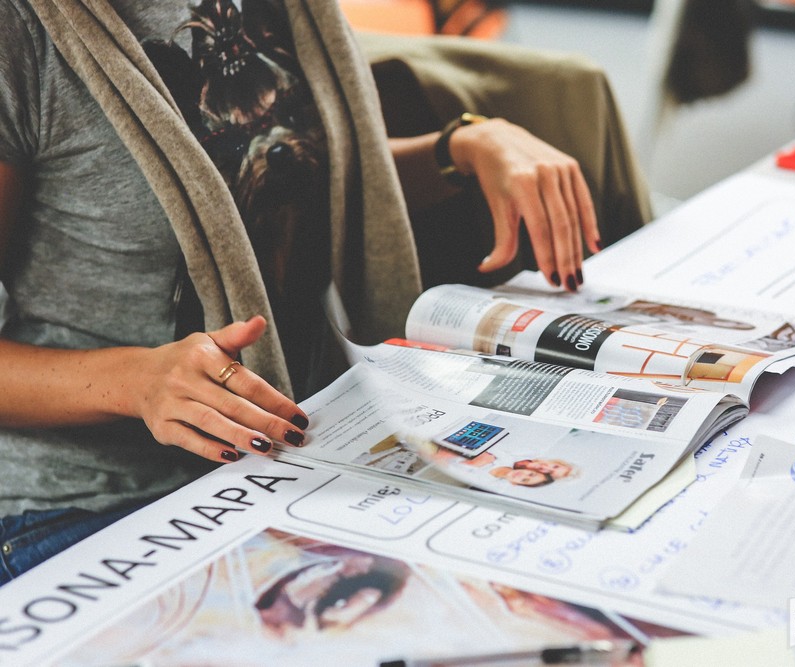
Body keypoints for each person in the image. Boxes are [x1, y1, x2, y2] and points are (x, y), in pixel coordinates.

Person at [0, 0, 636, 585]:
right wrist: (137, 380)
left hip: (301, 445)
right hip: (89, 503)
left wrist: (462, 147)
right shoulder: (21, 31)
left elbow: (285, 176)